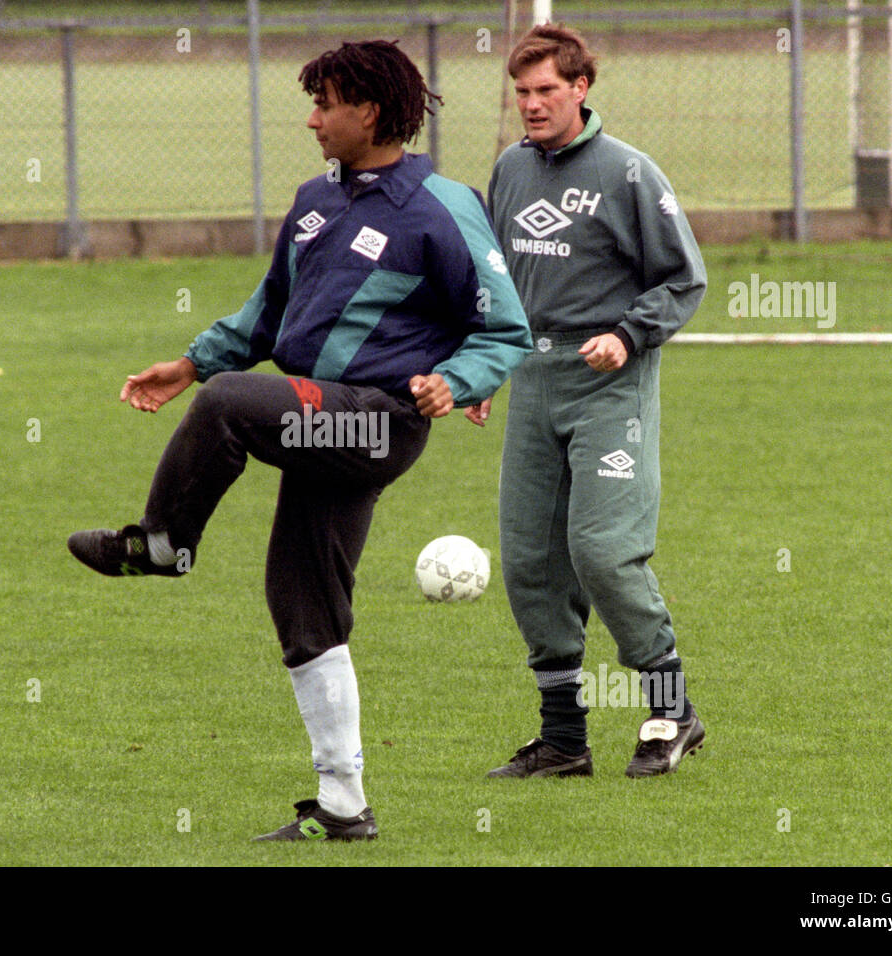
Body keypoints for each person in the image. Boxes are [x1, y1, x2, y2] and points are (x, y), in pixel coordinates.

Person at [68, 40, 531, 839]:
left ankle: (161, 543)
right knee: (305, 609)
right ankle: (345, 807)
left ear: (371, 112)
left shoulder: (442, 206)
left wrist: (459, 380)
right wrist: (189, 360)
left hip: (375, 418)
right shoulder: (315, 201)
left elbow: (504, 327)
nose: (312, 119)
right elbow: (270, 310)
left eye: (326, 104)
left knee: (229, 407)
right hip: (321, 416)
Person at [474, 24, 708, 779]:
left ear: (581, 88)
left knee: (604, 552)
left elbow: (683, 279)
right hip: (533, 382)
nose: (532, 105)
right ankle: (564, 742)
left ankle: (672, 710)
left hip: (610, 385)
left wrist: (629, 334)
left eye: (546, 91)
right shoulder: (509, 170)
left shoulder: (631, 174)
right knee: (530, 565)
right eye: (522, 93)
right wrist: (479, 367)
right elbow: (497, 282)